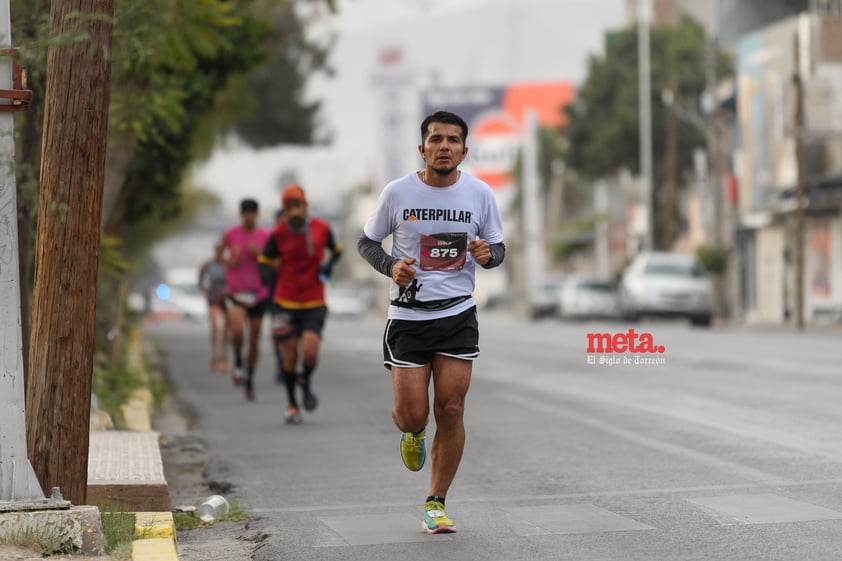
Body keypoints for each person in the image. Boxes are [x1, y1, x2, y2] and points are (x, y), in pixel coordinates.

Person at [357, 110, 505, 534]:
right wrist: (391, 267)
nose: (444, 147)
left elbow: (497, 250)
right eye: (436, 139)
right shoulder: (397, 192)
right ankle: (413, 432)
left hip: (458, 313)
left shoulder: (480, 194)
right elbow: (366, 241)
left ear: (464, 150)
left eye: (452, 140)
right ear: (421, 148)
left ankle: (435, 502)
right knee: (411, 413)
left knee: (452, 409)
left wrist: (487, 256)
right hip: (408, 317)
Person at [259, 184, 343, 424]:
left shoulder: (322, 229)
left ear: (306, 206)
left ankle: (305, 379)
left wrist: (328, 265)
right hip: (284, 301)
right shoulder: (278, 234)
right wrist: (266, 276)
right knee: (288, 356)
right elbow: (264, 260)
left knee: (309, 350)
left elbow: (337, 251)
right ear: (284, 210)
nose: (294, 211)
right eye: (289, 207)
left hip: (314, 300)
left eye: (298, 205)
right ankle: (292, 404)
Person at [217, 198, 271, 401]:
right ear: (241, 215)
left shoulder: (265, 236)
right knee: (238, 330)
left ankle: (250, 377)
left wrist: (260, 256)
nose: (249, 217)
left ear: (257, 214)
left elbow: (274, 263)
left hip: (258, 293)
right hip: (236, 292)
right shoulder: (231, 234)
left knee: (254, 339)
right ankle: (238, 362)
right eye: (245, 213)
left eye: (252, 213)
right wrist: (230, 260)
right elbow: (218, 254)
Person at [198, 247, 229, 372]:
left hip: (227, 296)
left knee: (226, 328)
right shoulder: (208, 264)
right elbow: (201, 278)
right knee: (215, 326)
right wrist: (202, 289)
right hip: (213, 297)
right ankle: (215, 356)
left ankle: (224, 356)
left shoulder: (228, 263)